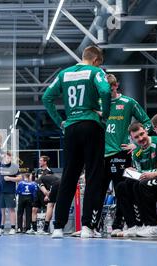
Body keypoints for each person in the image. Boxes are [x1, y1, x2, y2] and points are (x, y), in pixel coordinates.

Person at [42, 45, 111, 239]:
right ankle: (88, 227)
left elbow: (47, 97)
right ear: (96, 60)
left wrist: (60, 121)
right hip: (91, 125)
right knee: (93, 176)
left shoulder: (64, 73)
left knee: (68, 178)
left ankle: (58, 227)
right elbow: (105, 92)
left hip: (71, 128)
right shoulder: (96, 72)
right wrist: (104, 115)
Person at [102, 74, 151, 236]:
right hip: (101, 155)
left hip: (122, 154)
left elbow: (147, 122)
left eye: (109, 88)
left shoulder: (128, 102)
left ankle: (120, 224)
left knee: (121, 189)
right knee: (98, 191)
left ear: (116, 86)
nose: (107, 92)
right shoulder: (99, 103)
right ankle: (94, 226)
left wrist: (135, 143)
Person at [114, 122, 157, 237]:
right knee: (121, 186)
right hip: (144, 180)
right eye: (136, 137)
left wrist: (142, 173)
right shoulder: (136, 153)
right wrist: (132, 173)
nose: (141, 138)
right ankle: (134, 226)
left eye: (142, 134)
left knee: (136, 184)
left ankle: (149, 224)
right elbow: (138, 173)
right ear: (132, 139)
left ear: (146, 131)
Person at [0, 151, 22, 235]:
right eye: (6, 157)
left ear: (11, 158)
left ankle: (12, 228)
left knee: (11, 209)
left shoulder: (14, 167)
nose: (7, 159)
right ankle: (1, 227)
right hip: (0, 192)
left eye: (9, 157)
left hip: (10, 192)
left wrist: (10, 178)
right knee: (1, 211)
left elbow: (20, 178)